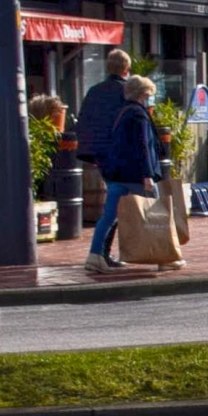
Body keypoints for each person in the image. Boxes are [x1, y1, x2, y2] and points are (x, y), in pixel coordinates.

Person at [88, 75, 161, 270]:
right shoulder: (139, 114)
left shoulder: (120, 112)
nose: (151, 99)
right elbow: (143, 146)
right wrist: (147, 175)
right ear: (144, 95)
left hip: (116, 172)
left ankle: (96, 255)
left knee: (110, 215)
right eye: (150, 96)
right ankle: (166, 254)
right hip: (134, 175)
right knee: (158, 212)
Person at [74, 49, 132, 268]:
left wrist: (92, 153)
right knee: (114, 206)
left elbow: (83, 122)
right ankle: (98, 252)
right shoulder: (127, 92)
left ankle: (103, 253)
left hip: (100, 156)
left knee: (114, 201)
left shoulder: (94, 91)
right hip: (121, 156)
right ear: (127, 69)